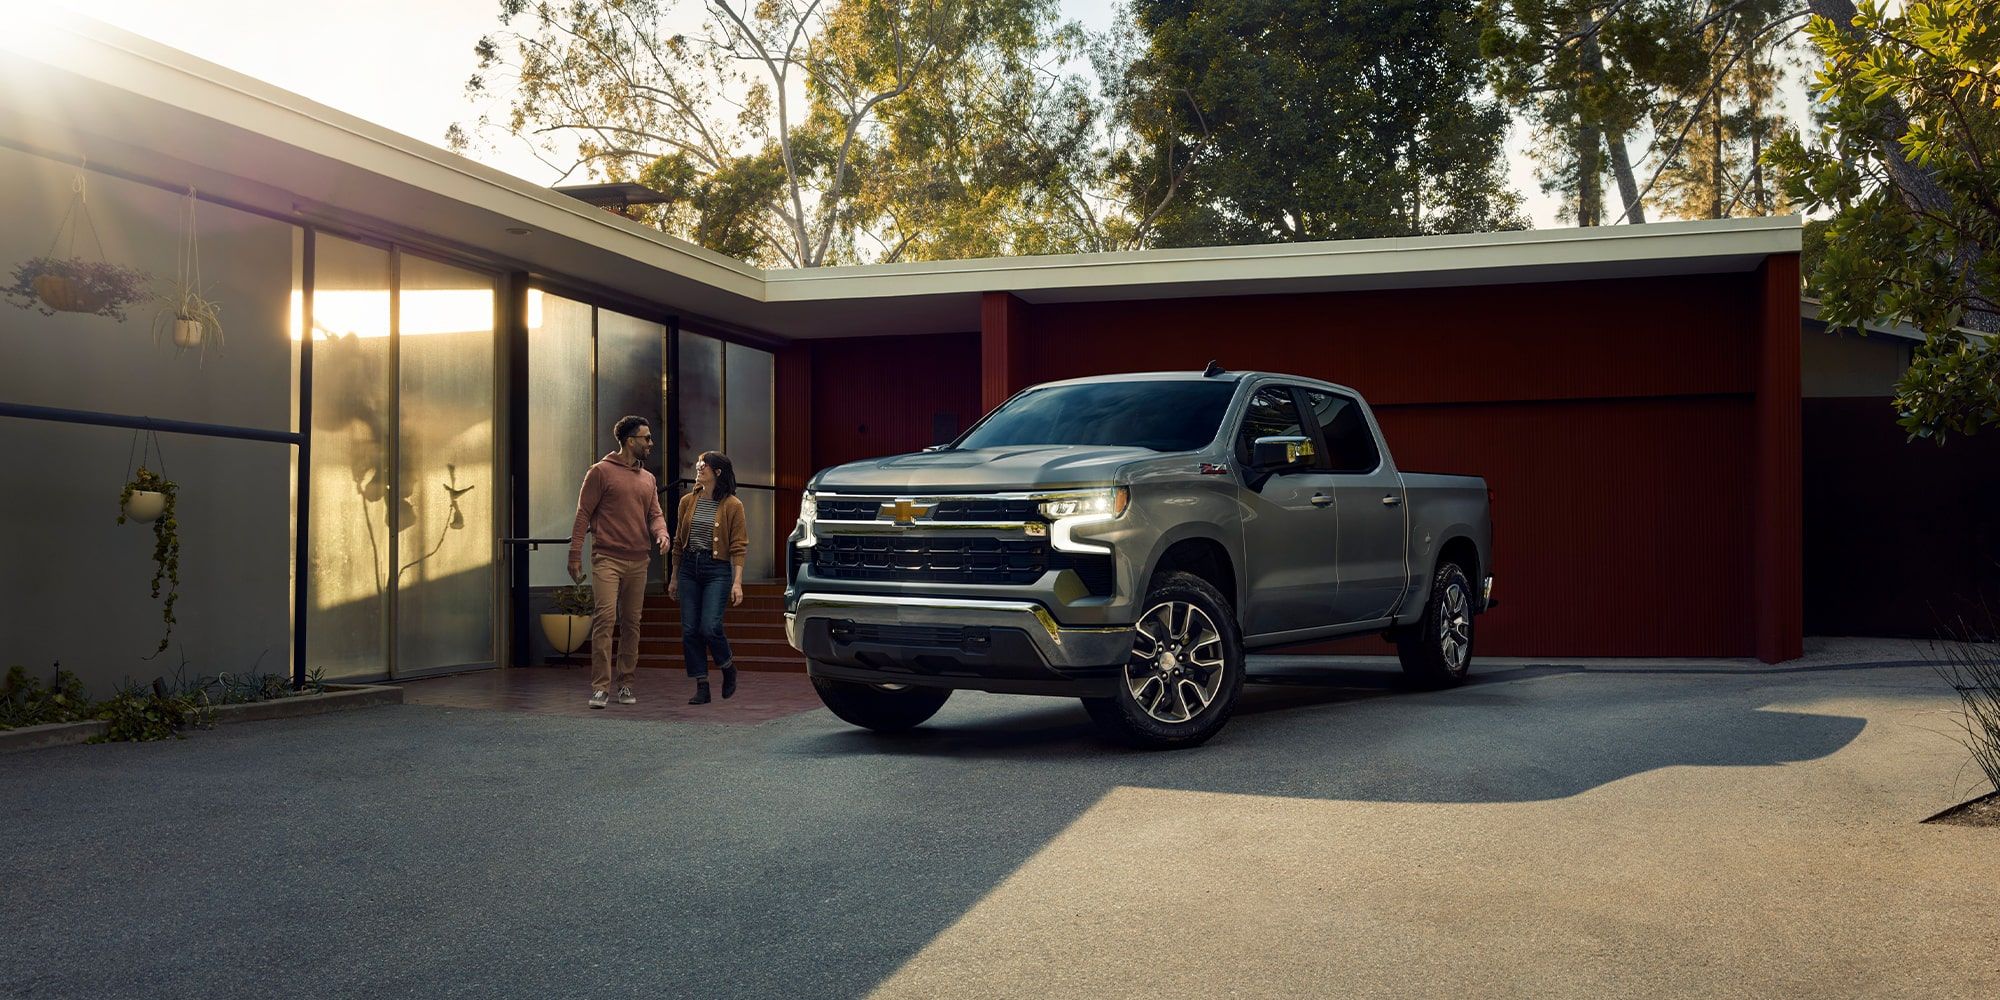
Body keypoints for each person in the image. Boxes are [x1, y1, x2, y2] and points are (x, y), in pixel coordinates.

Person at [568, 415, 670, 710]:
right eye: (646, 438)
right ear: (629, 440)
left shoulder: (648, 479)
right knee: (605, 619)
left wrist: (661, 533)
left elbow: (655, 514)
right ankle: (600, 688)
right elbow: (583, 514)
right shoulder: (600, 472)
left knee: (632, 624)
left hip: (638, 561)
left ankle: (626, 684)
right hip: (607, 559)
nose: (651, 443)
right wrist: (575, 554)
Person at [670, 451, 747, 704]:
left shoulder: (733, 505)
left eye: (705, 465)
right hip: (689, 569)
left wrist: (737, 583)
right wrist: (674, 577)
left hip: (717, 570)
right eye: (699, 464)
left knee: (710, 627)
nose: (699, 468)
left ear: (717, 472)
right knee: (690, 630)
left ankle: (728, 667)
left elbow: (738, 546)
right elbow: (679, 542)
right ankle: (702, 686)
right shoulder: (686, 502)